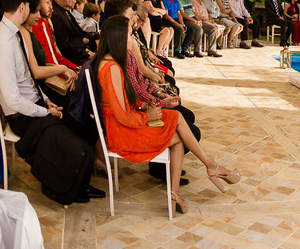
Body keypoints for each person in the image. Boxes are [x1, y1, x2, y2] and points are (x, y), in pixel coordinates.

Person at [93, 16, 240, 215]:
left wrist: (147, 105)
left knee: (178, 129)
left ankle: (180, 190)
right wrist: (148, 115)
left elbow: (124, 102)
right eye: (129, 34)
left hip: (125, 125)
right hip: (122, 134)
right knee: (177, 122)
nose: (133, 39)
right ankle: (211, 168)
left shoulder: (112, 64)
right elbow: (122, 116)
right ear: (118, 38)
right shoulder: (111, 68)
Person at [0, 0, 102, 205]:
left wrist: (47, 100)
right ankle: (69, 188)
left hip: (36, 103)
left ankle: (80, 183)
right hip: (22, 116)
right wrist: (43, 112)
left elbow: (29, 78)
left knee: (83, 125)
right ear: (22, 7)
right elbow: (12, 99)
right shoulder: (1, 42)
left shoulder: (17, 34)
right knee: (73, 143)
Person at [49, 0, 93, 66]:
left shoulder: (65, 11)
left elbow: (80, 33)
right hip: (74, 60)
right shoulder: (56, 15)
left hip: (82, 52)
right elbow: (65, 47)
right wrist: (86, 53)